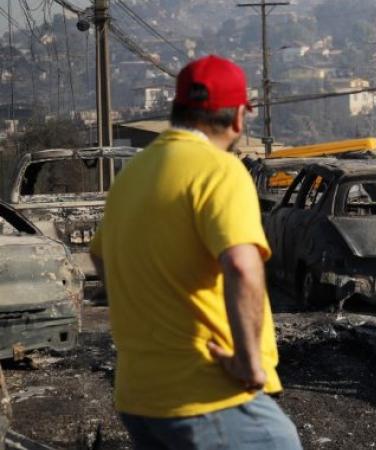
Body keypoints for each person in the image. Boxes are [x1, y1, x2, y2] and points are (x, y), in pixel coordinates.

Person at [90, 55, 301, 450]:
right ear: (238, 117)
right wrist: (248, 359)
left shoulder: (131, 176)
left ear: (177, 109)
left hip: (140, 398)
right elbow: (241, 264)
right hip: (206, 394)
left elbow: (100, 256)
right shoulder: (220, 170)